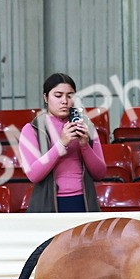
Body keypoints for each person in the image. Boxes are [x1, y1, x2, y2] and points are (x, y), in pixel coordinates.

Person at [18, 72, 105, 213]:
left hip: (84, 202)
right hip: (47, 204)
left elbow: (100, 173)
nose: (64, 101)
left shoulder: (86, 125)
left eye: (70, 96)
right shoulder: (32, 129)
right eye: (58, 96)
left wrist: (84, 145)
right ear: (45, 97)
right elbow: (33, 175)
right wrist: (61, 144)